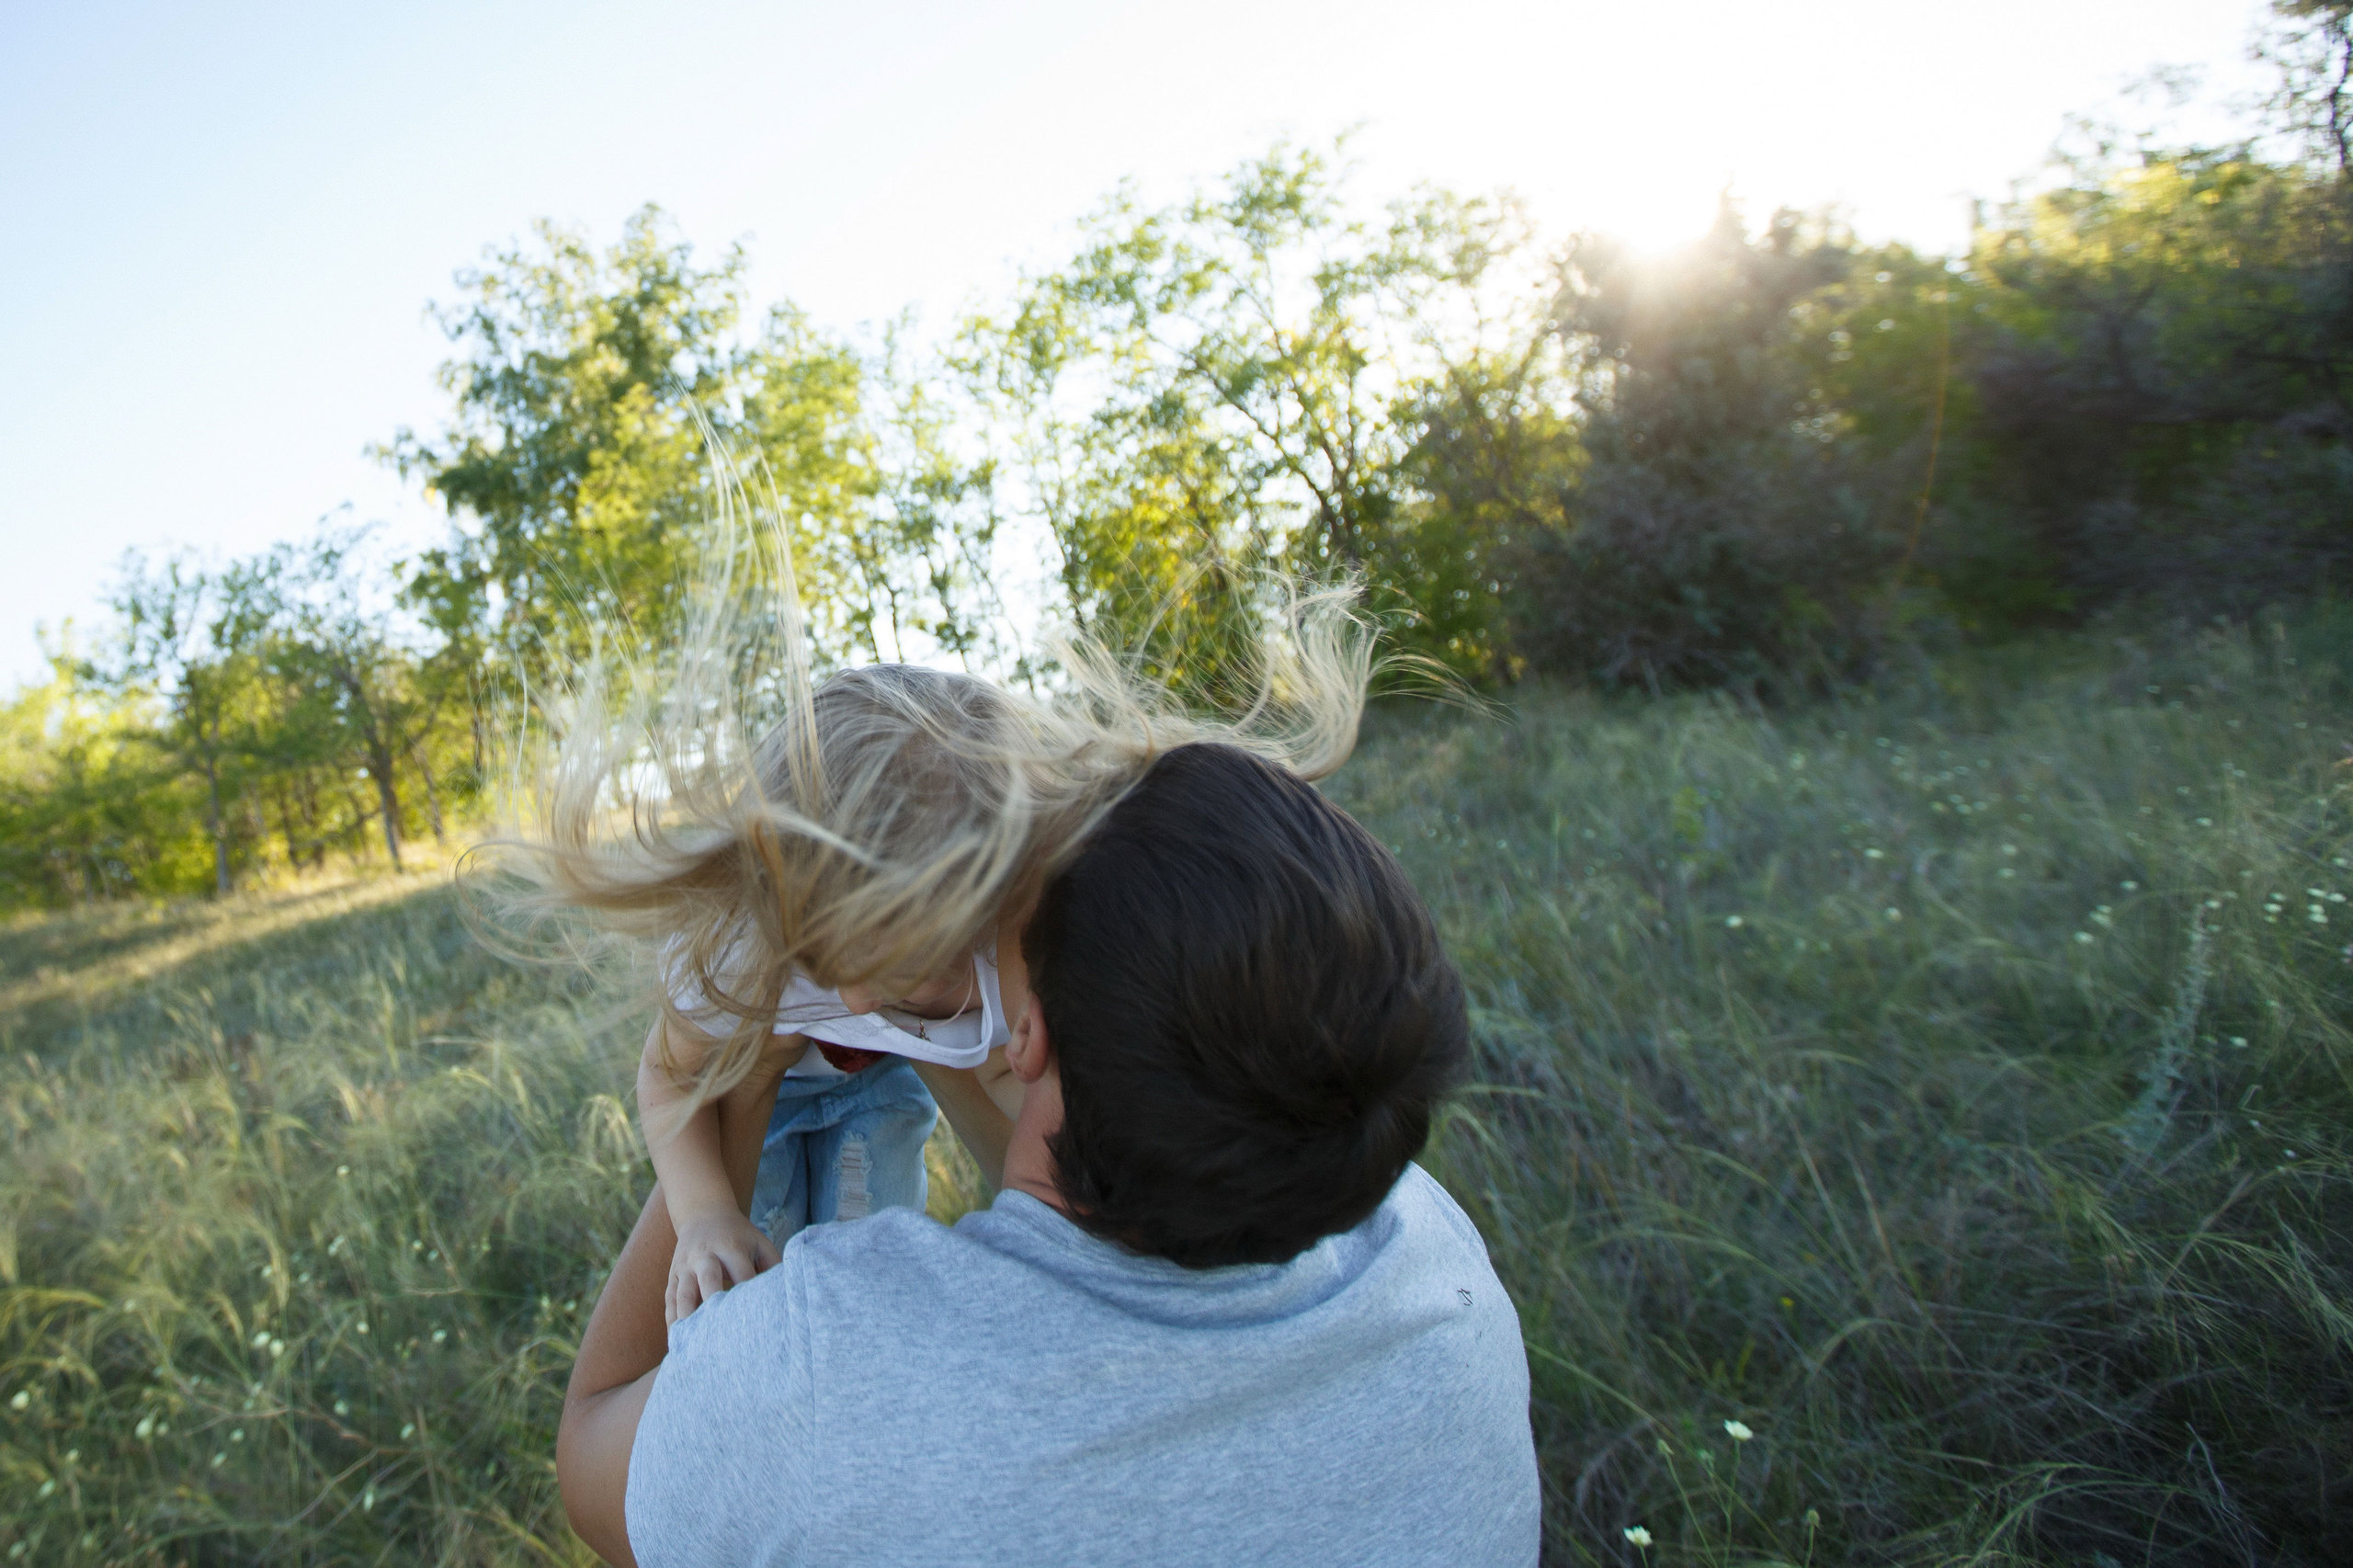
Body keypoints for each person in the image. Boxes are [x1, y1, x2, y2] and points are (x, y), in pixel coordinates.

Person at [553, 738, 1542, 1566]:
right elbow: (1048, 1200)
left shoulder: (823, 1372)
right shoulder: (1427, 1247)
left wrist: (747, 1080)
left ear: (1029, 1039)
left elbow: (593, 1454)